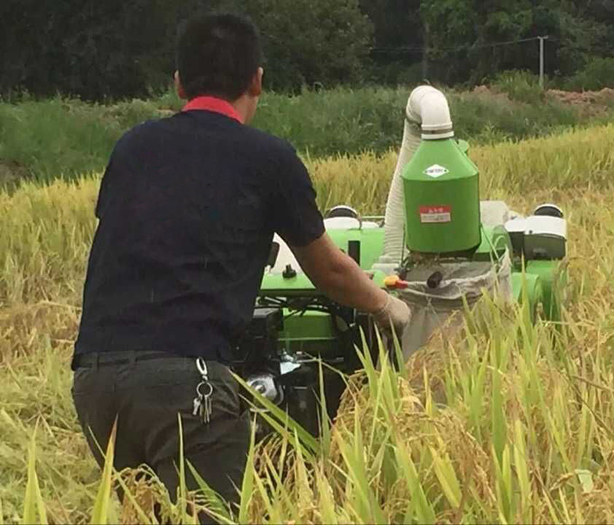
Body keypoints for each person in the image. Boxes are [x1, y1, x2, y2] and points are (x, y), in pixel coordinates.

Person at [70, 11, 411, 522]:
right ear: (258, 80)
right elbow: (330, 272)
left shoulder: (131, 147)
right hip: (189, 386)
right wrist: (390, 307)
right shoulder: (268, 158)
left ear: (179, 83)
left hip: (96, 382)